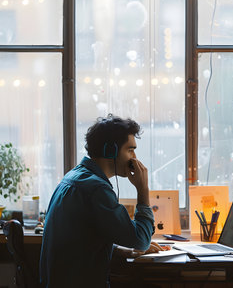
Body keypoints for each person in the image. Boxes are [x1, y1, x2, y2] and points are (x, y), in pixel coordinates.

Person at [40, 114, 162, 287]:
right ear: (110, 151)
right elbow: (141, 239)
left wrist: (122, 251)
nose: (134, 157)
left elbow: (82, 240)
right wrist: (143, 190)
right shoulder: (96, 189)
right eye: (130, 149)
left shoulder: (74, 177)